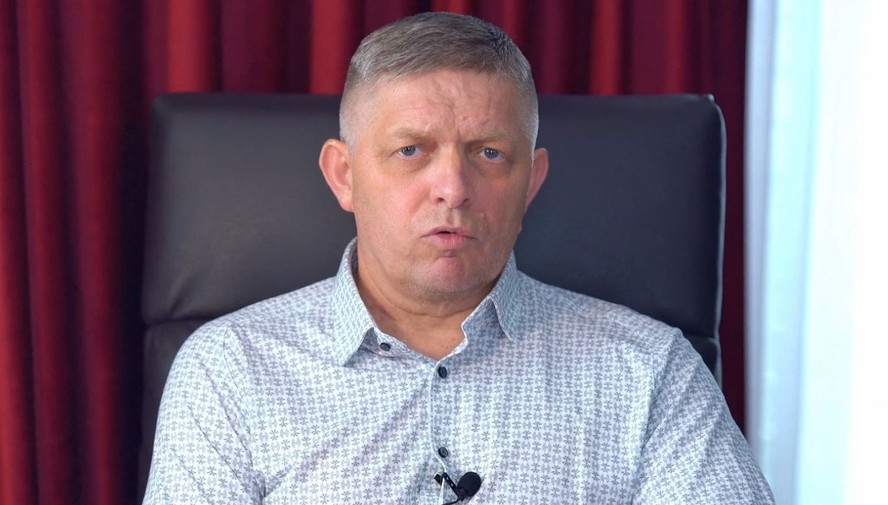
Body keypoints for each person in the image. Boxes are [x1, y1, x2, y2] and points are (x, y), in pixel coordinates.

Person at [143, 12, 774, 504]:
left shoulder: (650, 372)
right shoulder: (230, 370)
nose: (453, 187)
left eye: (489, 153)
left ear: (531, 182)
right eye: (411, 150)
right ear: (344, 175)